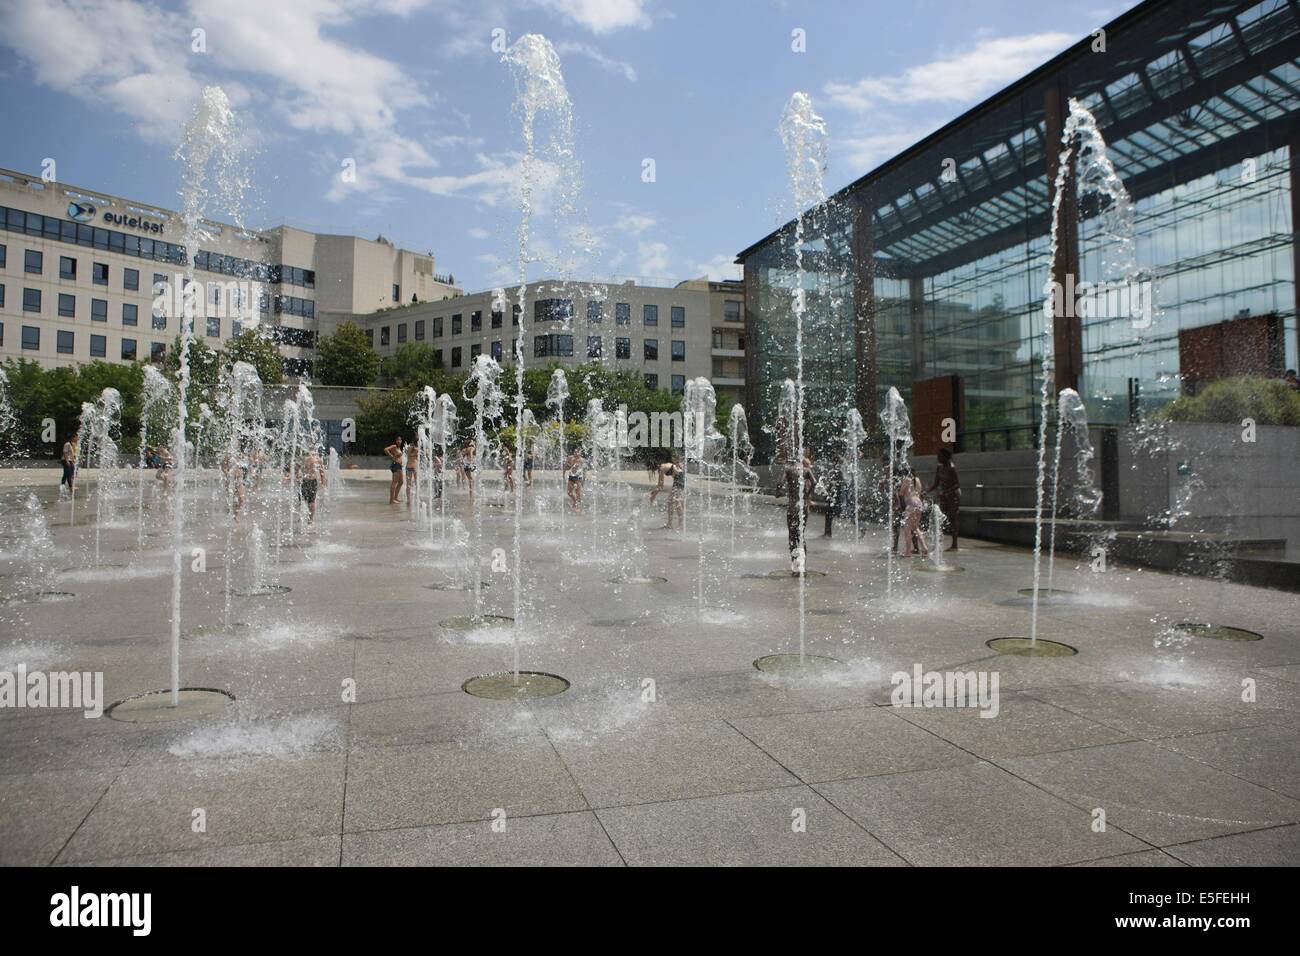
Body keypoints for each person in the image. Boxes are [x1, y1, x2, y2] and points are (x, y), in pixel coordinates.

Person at [784, 448, 816, 574]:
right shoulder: (807, 471)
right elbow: (814, 482)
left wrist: (780, 492)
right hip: (803, 506)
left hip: (792, 506)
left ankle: (794, 566)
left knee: (792, 536)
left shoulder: (788, 471)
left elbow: (779, 484)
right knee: (801, 536)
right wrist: (807, 495)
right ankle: (803, 566)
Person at [926, 447, 961, 551]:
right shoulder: (939, 468)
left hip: (953, 496)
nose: (938, 457)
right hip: (944, 496)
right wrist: (926, 491)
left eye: (940, 456)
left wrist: (946, 493)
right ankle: (938, 543)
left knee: (953, 519)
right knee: (940, 518)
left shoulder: (952, 468)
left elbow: (957, 484)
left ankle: (954, 545)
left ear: (946, 457)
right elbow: (936, 483)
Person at [649, 452, 685, 530]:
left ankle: (681, 524)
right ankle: (670, 524)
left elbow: (661, 486)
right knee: (670, 502)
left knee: (676, 501)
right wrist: (654, 493)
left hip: (679, 482)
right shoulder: (665, 465)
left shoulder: (662, 468)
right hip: (679, 481)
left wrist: (653, 496)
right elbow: (659, 485)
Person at [898, 467, 928, 558]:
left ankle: (908, 551)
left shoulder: (907, 480)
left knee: (907, 528)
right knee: (915, 527)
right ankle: (924, 547)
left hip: (911, 503)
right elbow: (919, 491)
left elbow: (901, 493)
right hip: (919, 503)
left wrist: (898, 489)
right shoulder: (917, 479)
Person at [300, 450, 324, 525]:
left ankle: (303, 517)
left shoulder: (303, 458)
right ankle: (311, 519)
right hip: (312, 480)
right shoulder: (318, 459)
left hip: (304, 480)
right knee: (312, 501)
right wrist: (323, 482)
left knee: (303, 500)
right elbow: (322, 472)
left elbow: (297, 469)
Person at [383, 436, 405, 505]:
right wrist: (392, 456)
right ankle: (391, 500)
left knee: (401, 482)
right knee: (394, 482)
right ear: (396, 441)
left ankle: (395, 498)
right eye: (398, 440)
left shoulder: (399, 448)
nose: (399, 441)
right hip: (395, 465)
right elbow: (385, 449)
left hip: (399, 466)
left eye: (400, 440)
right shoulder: (394, 446)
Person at [564, 448, 585, 513]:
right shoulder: (570, 458)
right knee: (569, 492)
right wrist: (563, 473)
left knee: (577, 493)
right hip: (571, 476)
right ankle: (574, 501)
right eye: (575, 452)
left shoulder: (582, 460)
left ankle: (578, 507)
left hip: (578, 477)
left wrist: (584, 480)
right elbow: (566, 466)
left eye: (578, 452)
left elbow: (584, 470)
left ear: (580, 453)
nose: (576, 453)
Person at [404, 441, 419, 507]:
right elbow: (408, 455)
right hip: (411, 466)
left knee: (415, 483)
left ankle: (415, 498)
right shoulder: (411, 447)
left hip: (413, 466)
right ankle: (409, 499)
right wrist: (416, 452)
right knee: (410, 484)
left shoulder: (415, 447)